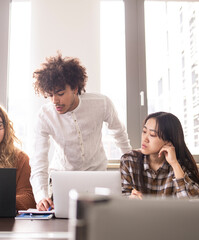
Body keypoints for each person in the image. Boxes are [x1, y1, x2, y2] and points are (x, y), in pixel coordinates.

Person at [31, 52, 132, 210]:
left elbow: (120, 135)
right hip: (62, 179)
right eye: (50, 95)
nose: (55, 101)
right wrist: (41, 195)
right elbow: (39, 160)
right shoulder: (45, 116)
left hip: (97, 177)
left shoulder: (101, 104)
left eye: (60, 94)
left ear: (75, 88)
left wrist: (132, 169)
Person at [120, 111, 199, 199]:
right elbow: (123, 200)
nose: (145, 139)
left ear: (168, 140)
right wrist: (131, 199)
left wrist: (174, 164)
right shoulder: (129, 160)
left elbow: (195, 202)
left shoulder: (180, 165)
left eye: (152, 135)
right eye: (144, 131)